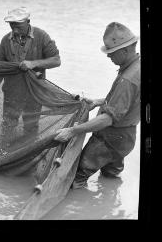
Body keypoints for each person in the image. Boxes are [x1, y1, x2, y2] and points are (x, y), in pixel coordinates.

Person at [54, 22, 140, 189]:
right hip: (127, 138)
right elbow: (128, 101)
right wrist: (98, 101)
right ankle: (110, 207)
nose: (108, 56)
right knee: (110, 177)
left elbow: (107, 119)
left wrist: (72, 131)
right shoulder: (137, 66)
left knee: (73, 179)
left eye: (111, 53)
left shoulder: (127, 79)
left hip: (109, 139)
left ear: (125, 50)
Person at [0, 6, 61, 139]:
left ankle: (29, 153)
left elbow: (56, 61)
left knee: (31, 127)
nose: (14, 29)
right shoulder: (5, 40)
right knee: (8, 125)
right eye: (11, 25)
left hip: (34, 92)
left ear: (28, 22)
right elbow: (0, 68)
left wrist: (33, 64)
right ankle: (7, 153)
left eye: (18, 25)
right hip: (12, 92)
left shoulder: (42, 36)